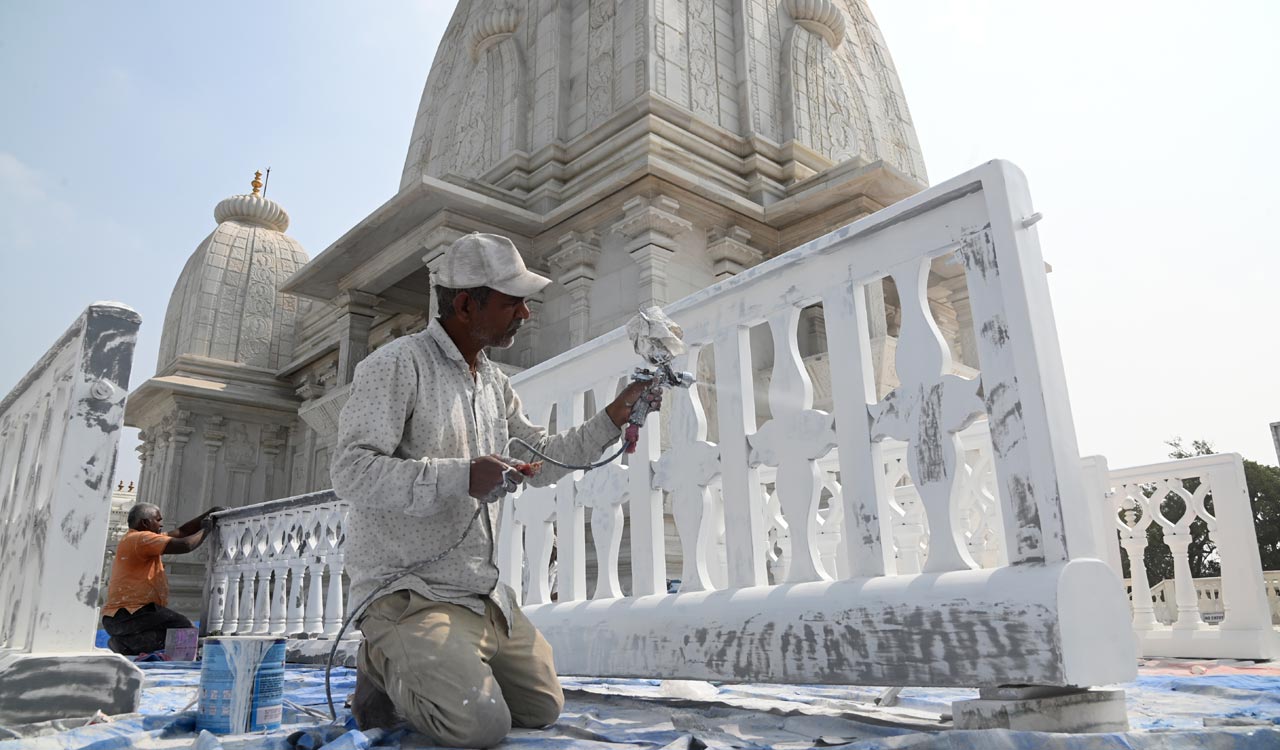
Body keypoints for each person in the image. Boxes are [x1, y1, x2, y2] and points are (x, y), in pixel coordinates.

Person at [331, 232, 659, 748]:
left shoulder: (493, 383)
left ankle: (443, 663)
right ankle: (382, 655)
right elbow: (351, 471)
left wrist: (614, 416)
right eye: (513, 302)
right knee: (479, 727)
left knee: (542, 707)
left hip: (479, 595)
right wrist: (462, 476)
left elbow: (542, 458)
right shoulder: (397, 365)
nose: (525, 313)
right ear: (466, 305)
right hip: (409, 594)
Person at [100, 502, 224, 655]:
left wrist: (209, 513)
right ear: (145, 523)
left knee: (164, 635)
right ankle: (125, 644)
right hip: (132, 613)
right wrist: (206, 529)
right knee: (185, 628)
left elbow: (182, 531)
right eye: (157, 520)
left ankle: (123, 643)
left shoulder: (134, 539)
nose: (161, 524)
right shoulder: (141, 539)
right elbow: (185, 545)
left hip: (117, 619)